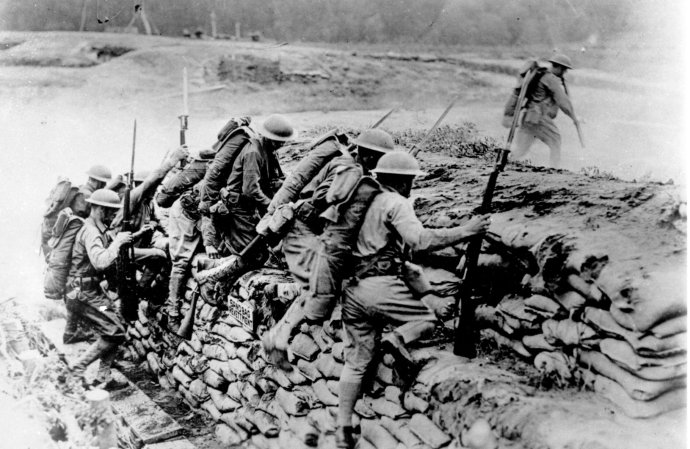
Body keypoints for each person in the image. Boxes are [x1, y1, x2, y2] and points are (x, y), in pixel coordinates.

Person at [334, 151, 491, 449]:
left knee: (355, 362)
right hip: (379, 286)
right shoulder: (396, 202)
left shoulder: (360, 202)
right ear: (404, 182)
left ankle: (343, 429)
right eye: (410, 182)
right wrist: (467, 231)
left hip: (351, 288)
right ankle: (396, 339)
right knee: (428, 319)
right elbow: (420, 241)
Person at [261, 129, 395, 366]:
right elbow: (321, 197)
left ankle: (279, 335)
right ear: (370, 155)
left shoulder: (351, 166)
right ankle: (277, 336)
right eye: (379, 158)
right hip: (306, 229)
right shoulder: (349, 169)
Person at [200, 114, 296, 262]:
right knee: (250, 254)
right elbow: (251, 190)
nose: (282, 145)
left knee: (256, 247)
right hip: (238, 207)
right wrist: (272, 206)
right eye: (279, 141)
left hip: (248, 206)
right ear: (269, 138)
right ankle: (211, 269)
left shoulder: (266, 149)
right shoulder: (254, 152)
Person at [65, 189, 133, 388]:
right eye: (110, 211)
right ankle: (77, 368)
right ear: (100, 209)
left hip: (91, 292)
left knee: (117, 326)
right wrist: (118, 242)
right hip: (82, 293)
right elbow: (100, 262)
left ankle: (103, 377)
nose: (113, 216)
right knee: (115, 331)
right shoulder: (91, 232)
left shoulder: (96, 229)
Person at [155, 149, 215, 331]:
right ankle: (173, 314)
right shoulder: (205, 165)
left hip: (205, 215)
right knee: (181, 262)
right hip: (186, 215)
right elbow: (163, 198)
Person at [509, 53, 580, 168]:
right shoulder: (551, 79)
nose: (565, 72)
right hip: (539, 118)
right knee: (556, 140)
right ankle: (554, 169)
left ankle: (506, 165)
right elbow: (563, 102)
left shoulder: (540, 74)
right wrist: (574, 118)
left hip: (528, 118)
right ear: (559, 67)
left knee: (521, 149)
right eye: (564, 69)